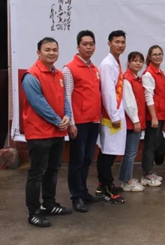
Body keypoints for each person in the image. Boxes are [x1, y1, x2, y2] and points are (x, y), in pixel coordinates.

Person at [21, 37, 73, 227]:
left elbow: (64, 98)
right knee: (37, 173)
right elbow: (38, 104)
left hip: (57, 132)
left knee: (53, 170)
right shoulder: (31, 75)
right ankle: (33, 212)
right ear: (38, 53)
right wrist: (58, 121)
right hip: (39, 134)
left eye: (54, 49)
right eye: (47, 49)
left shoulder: (58, 74)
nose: (51, 53)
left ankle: (49, 204)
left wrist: (67, 115)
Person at [63, 30, 102, 213]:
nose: (88, 47)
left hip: (93, 121)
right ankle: (76, 196)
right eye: (85, 44)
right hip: (79, 123)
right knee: (77, 161)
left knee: (87, 159)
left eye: (91, 44)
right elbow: (67, 97)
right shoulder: (69, 68)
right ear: (78, 46)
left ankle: (84, 191)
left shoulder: (94, 68)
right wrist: (71, 123)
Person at [96, 30, 127, 204]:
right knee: (107, 153)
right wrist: (114, 115)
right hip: (110, 116)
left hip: (115, 113)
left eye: (123, 42)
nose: (120, 45)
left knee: (110, 152)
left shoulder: (116, 62)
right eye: (117, 42)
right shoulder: (107, 64)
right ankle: (106, 188)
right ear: (109, 43)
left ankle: (105, 184)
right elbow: (107, 92)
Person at [141, 45, 165, 186]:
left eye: (160, 54)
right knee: (150, 145)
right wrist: (154, 117)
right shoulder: (149, 74)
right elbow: (148, 96)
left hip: (160, 114)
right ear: (149, 57)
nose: (158, 56)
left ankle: (150, 171)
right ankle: (147, 174)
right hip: (153, 116)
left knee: (155, 143)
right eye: (154, 54)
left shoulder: (160, 72)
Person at [118, 51, 147, 192]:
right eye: (135, 60)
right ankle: (127, 181)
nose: (138, 63)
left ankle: (126, 177)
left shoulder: (137, 79)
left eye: (140, 61)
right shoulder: (127, 79)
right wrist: (136, 121)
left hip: (136, 121)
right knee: (130, 152)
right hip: (131, 122)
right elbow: (128, 103)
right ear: (128, 62)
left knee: (130, 152)